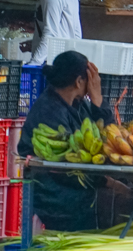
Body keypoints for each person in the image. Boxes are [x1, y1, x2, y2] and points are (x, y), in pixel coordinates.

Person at [18, 51, 112, 231]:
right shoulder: (49, 111)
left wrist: (98, 102)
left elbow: (109, 135)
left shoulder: (79, 105)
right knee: (118, 204)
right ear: (79, 81)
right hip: (56, 196)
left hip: (79, 189)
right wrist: (106, 182)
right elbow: (66, 169)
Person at [28, 0, 82, 65]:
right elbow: (77, 34)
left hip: (50, 62)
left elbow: (51, 34)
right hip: (64, 61)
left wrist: (34, 63)